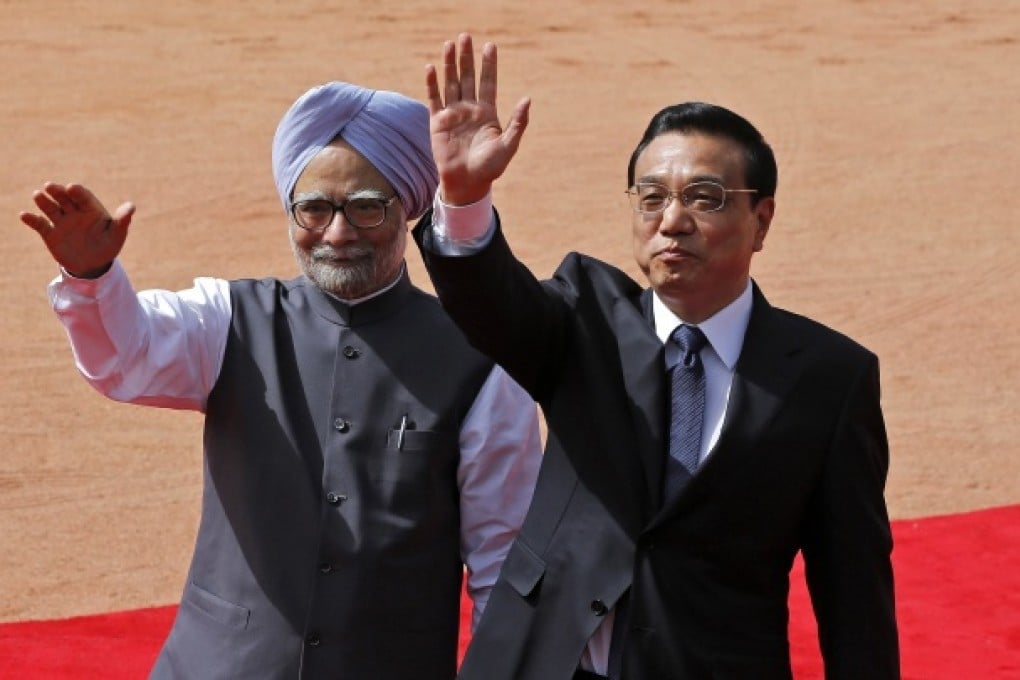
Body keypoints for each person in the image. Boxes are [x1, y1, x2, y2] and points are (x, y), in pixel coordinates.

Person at [412, 34, 900, 679]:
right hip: (546, 663)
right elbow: (490, 305)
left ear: (762, 219)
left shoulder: (829, 378)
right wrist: (466, 199)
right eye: (651, 197)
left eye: (704, 198)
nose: (671, 221)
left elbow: (853, 587)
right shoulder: (583, 321)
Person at [20, 80, 543, 679]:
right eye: (314, 209)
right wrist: (93, 278)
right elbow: (125, 359)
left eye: (367, 206)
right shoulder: (228, 318)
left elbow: (503, 563)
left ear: (409, 208)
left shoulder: (480, 362)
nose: (338, 233)